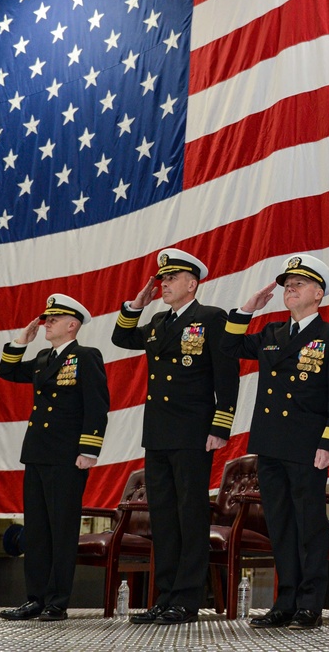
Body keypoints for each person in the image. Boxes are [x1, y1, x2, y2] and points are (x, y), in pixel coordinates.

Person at [220, 254, 329, 630]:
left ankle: (310, 603)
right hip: (271, 443)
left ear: (319, 294)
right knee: (279, 524)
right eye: (287, 284)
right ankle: (285, 600)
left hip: (308, 445)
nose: (289, 289)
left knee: (309, 525)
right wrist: (247, 309)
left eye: (298, 284)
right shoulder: (271, 334)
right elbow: (229, 347)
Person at [111, 248, 240, 625]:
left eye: (171, 278)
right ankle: (164, 595)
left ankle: (186, 598)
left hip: (193, 432)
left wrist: (220, 425)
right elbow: (122, 337)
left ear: (192, 283)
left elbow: (226, 375)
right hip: (158, 432)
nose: (163, 283)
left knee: (190, 514)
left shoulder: (211, 318)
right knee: (163, 517)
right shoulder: (156, 324)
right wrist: (135, 305)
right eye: (162, 279)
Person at [0, 294, 110, 622]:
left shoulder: (86, 356)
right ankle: (35, 598)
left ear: (72, 324)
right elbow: (6, 370)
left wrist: (89, 450)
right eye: (46, 317)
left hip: (67, 456)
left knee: (61, 530)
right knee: (36, 529)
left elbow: (97, 404)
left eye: (54, 318)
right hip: (37, 452)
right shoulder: (44, 358)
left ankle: (57, 602)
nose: (46, 322)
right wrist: (22, 341)